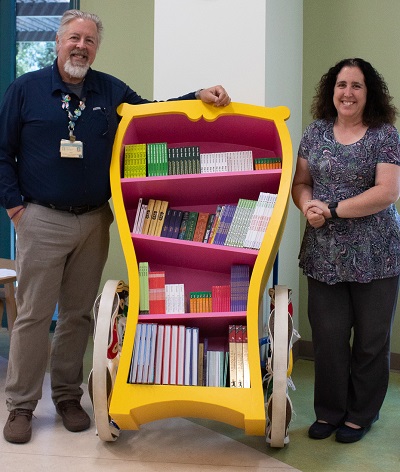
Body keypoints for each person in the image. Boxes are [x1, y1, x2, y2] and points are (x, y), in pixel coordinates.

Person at [0, 9, 231, 444]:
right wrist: (16, 209)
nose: (81, 46)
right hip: (41, 219)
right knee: (32, 316)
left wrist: (196, 95)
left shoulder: (109, 90)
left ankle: (68, 397)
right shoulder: (26, 89)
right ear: (57, 41)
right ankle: (21, 406)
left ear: (96, 47)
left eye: (89, 40)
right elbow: (0, 152)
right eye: (74, 38)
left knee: (77, 315)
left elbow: (152, 115)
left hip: (94, 219)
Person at [292, 58, 400, 444]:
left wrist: (333, 210)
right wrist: (307, 206)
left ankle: (360, 415)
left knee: (371, 341)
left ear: (369, 92)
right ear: (331, 91)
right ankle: (330, 412)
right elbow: (301, 182)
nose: (348, 93)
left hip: (378, 253)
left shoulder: (384, 134)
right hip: (324, 254)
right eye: (341, 85)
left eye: (356, 85)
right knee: (328, 338)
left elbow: (387, 192)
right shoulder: (316, 132)